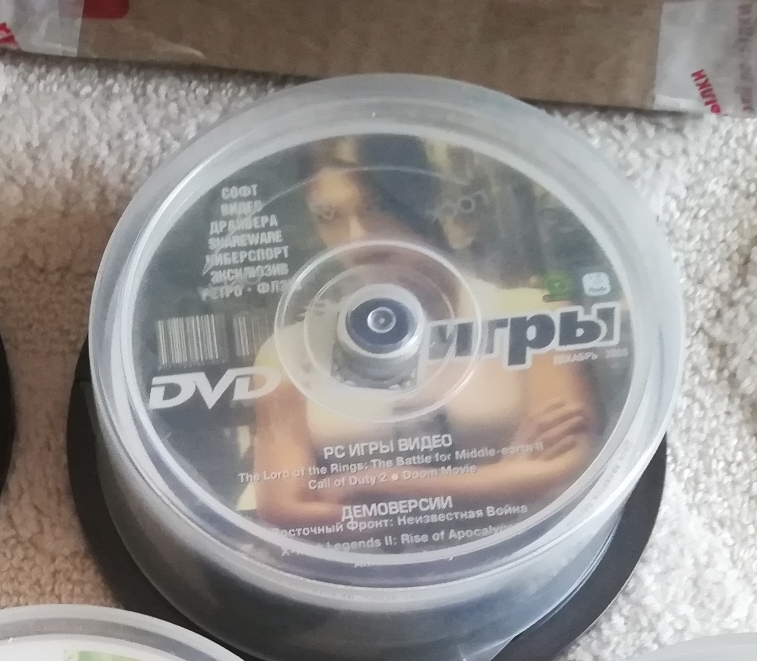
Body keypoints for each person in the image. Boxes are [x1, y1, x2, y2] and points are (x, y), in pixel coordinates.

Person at [248, 137, 599, 538]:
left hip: (522, 555)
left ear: (424, 200)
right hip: (365, 573)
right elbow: (284, 508)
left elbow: (565, 470)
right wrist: (502, 481)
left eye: (376, 206)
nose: (357, 237)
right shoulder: (288, 351)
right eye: (328, 215)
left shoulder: (530, 314)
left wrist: (375, 483)